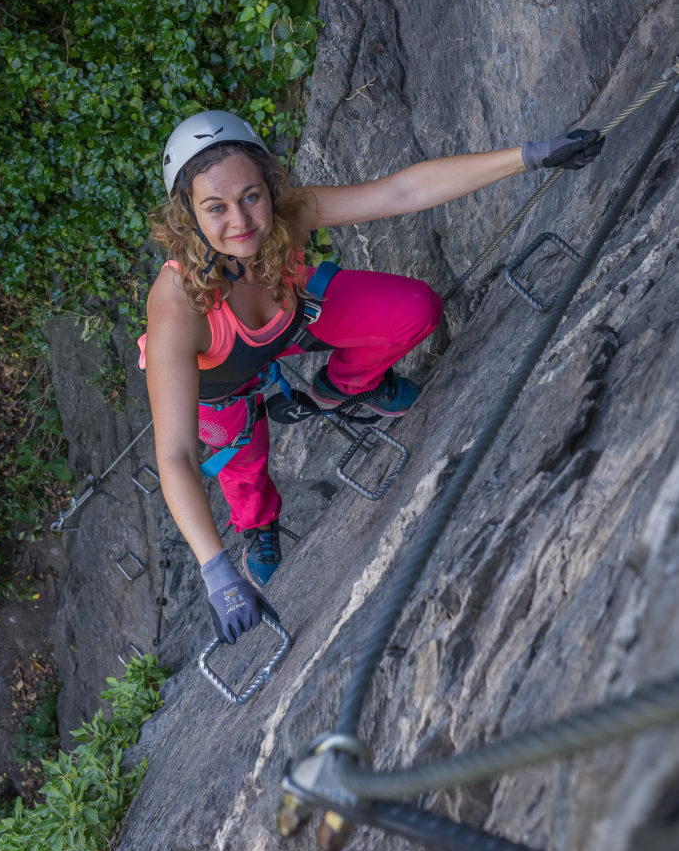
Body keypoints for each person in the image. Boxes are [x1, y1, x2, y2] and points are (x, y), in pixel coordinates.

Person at [138, 110, 603, 645]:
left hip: (292, 315)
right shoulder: (178, 308)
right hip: (221, 386)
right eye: (215, 208)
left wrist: (532, 155)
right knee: (243, 467)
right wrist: (215, 570)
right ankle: (257, 527)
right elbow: (173, 454)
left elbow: (401, 191)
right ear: (189, 215)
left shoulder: (287, 216)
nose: (240, 221)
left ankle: (341, 388)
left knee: (414, 309)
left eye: (250, 196)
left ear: (269, 186)